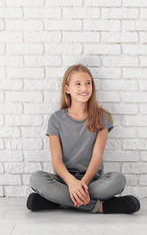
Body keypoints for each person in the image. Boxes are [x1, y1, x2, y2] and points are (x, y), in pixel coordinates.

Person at [26, 64, 140, 214]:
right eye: (78, 84)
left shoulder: (102, 117)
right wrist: (72, 183)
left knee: (118, 180)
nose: (84, 88)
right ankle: (101, 207)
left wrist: (82, 184)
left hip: (92, 180)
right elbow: (57, 161)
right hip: (64, 180)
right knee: (36, 179)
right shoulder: (56, 119)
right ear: (67, 89)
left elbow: (97, 157)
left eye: (88, 83)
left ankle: (59, 203)